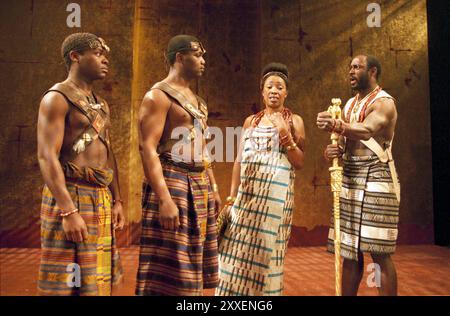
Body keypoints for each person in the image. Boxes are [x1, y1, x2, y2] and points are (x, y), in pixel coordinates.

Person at [37, 33, 124, 296]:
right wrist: (68, 212)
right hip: (70, 195)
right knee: (66, 283)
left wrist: (117, 199)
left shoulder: (101, 104)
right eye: (97, 54)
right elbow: (46, 156)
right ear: (75, 56)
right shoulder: (56, 98)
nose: (105, 60)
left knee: (95, 280)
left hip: (101, 198)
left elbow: (109, 153)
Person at [136, 34, 221, 296]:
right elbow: (147, 147)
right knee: (170, 261)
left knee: (192, 260)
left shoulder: (197, 100)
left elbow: (204, 148)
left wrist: (214, 187)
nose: (203, 60)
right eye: (198, 55)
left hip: (199, 183)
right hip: (172, 180)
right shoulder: (158, 96)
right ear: (180, 58)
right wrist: (164, 199)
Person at [216, 63, 305, 296]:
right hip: (247, 199)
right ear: (262, 92)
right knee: (235, 251)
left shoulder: (295, 121)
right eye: (269, 86)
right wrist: (231, 196)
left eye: (280, 87)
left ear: (286, 92)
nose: (274, 90)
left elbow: (299, 162)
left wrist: (285, 135)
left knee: (269, 253)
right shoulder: (250, 122)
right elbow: (238, 160)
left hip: (275, 202)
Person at [316, 55, 400, 296]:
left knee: (379, 252)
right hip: (351, 178)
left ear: (372, 71)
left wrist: (337, 125)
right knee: (350, 251)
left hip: (377, 177)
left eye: (357, 67)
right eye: (350, 68)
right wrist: (333, 150)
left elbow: (367, 130)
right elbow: (343, 145)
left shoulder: (384, 103)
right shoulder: (350, 105)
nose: (351, 72)